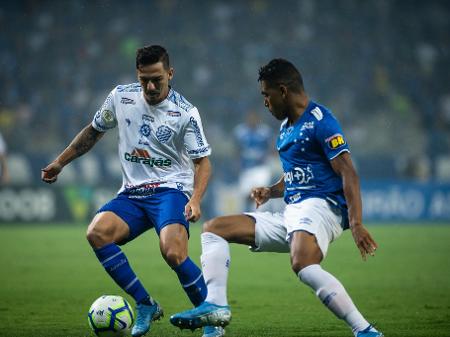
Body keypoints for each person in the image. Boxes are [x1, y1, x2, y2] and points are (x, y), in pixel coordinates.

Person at [170, 58, 383, 337]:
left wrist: (356, 223)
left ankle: (364, 330)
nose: (265, 102)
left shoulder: (321, 121)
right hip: (293, 212)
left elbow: (348, 173)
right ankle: (216, 307)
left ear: (282, 91)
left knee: (303, 264)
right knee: (213, 230)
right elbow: (295, 175)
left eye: (266, 95)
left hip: (322, 208)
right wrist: (271, 191)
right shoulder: (285, 128)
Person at [41, 45, 221, 337]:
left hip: (170, 191)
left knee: (173, 252)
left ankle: (211, 318)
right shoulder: (120, 97)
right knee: (96, 233)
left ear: (170, 74)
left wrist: (196, 199)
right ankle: (146, 304)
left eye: (157, 79)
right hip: (132, 194)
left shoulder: (185, 113)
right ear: (137, 76)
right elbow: (94, 130)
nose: (150, 86)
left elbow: (203, 162)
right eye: (144, 79)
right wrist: (61, 162)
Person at [232, 110, 273, 211]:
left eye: (254, 118)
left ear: (258, 119)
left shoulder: (265, 132)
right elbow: (236, 149)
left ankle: (259, 217)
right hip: (246, 168)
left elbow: (271, 147)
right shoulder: (240, 131)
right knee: (246, 195)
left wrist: (268, 159)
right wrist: (236, 163)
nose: (252, 120)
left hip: (261, 168)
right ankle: (247, 215)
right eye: (250, 118)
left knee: (260, 192)